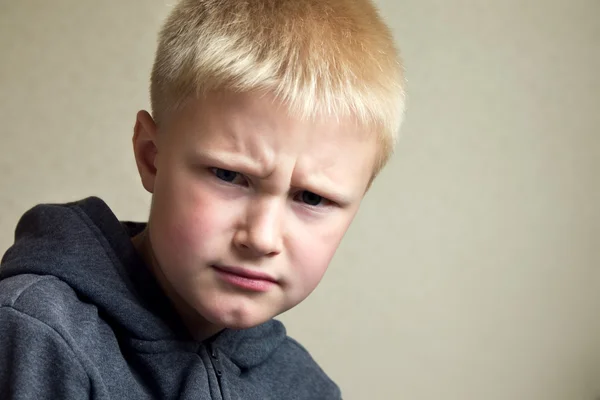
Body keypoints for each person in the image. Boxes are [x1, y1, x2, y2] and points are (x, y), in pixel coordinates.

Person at [0, 0, 405, 398]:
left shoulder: (307, 387)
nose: (261, 238)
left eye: (312, 198)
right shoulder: (39, 332)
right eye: (229, 175)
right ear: (151, 157)